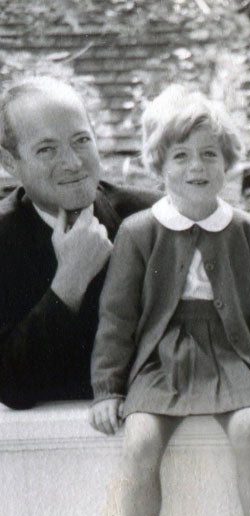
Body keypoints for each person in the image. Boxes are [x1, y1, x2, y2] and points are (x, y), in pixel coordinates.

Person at [89, 85, 250, 516]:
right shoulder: (139, 231)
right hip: (163, 354)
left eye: (209, 153)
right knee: (139, 440)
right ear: (160, 165)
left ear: (227, 163)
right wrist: (109, 387)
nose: (196, 166)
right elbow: (118, 316)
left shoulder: (248, 232)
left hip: (231, 351)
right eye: (181, 155)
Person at [0, 76, 158, 409]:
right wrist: (69, 283)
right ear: (10, 163)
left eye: (81, 140)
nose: (72, 162)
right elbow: (12, 386)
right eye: (46, 149)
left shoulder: (156, 218)